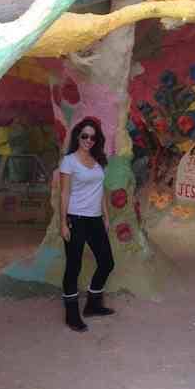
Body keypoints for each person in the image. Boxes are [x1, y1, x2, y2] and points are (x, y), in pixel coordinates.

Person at [59, 118, 115, 332]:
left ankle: (92, 304)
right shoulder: (69, 161)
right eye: (84, 136)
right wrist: (63, 223)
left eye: (92, 137)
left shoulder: (98, 160)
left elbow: (100, 190)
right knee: (74, 266)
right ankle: (71, 314)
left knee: (107, 262)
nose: (88, 140)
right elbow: (64, 193)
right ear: (77, 136)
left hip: (95, 219)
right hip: (76, 218)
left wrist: (106, 216)